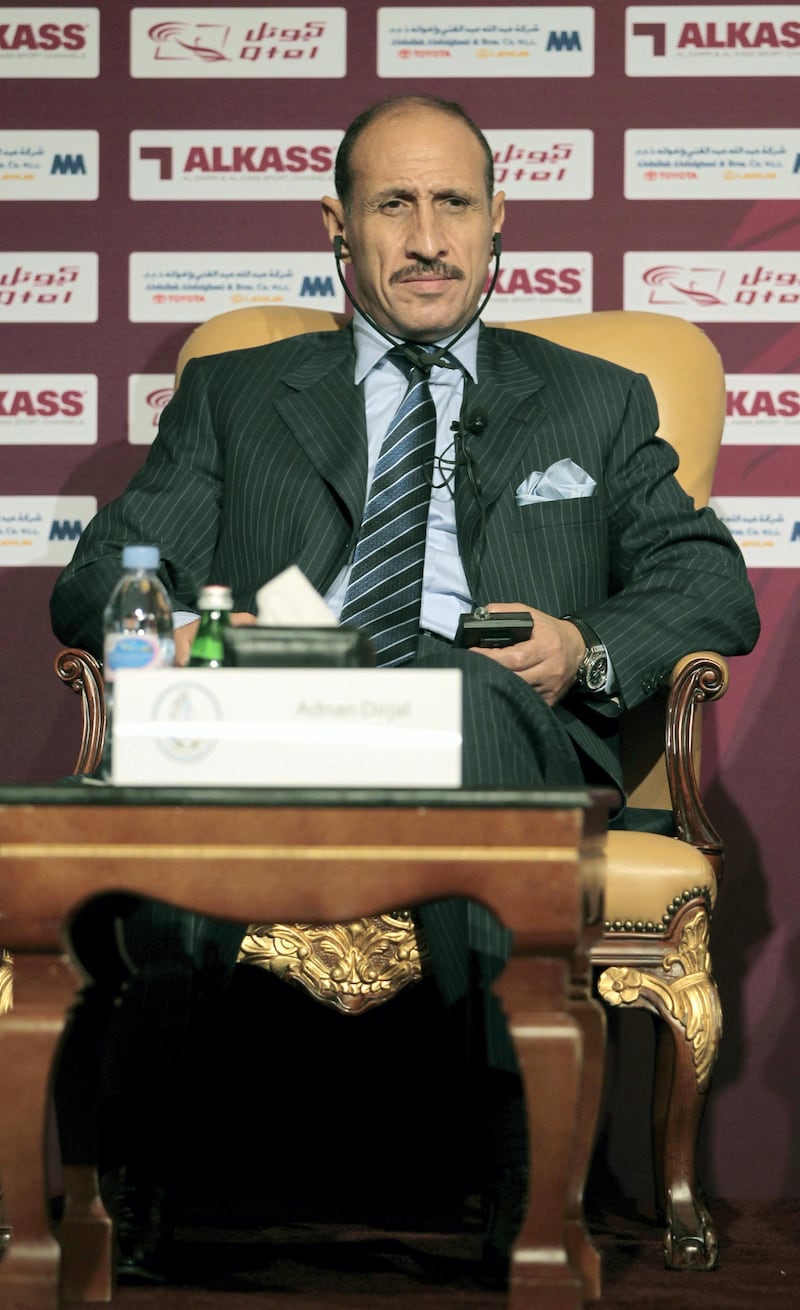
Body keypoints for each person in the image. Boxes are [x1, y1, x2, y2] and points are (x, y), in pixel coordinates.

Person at [50, 93, 760, 1284]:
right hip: (284, 711)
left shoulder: (592, 397)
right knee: (188, 739)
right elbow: (101, 584)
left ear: (497, 224)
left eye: (453, 204)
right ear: (337, 225)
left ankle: (517, 1182)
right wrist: (188, 648)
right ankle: (145, 1179)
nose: (427, 236)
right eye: (393, 204)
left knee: (464, 693)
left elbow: (706, 584)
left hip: (495, 719)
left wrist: (578, 645)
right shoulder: (238, 395)